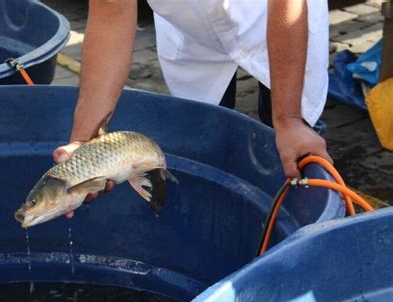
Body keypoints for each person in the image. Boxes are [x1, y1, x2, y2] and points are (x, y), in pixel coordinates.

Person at [53, 0, 334, 218]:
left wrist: (290, 119)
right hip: (192, 30)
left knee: (295, 152)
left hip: (275, 19)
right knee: (206, 145)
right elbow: (111, 13)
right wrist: (84, 145)